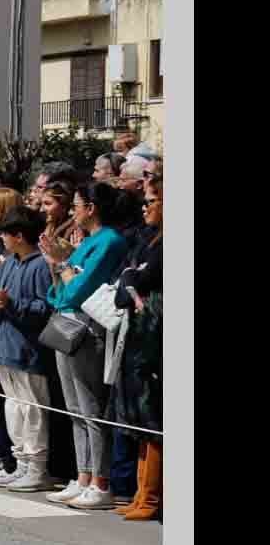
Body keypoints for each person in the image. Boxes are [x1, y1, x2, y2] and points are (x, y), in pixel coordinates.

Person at [39, 178, 130, 509]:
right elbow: (59, 292)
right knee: (74, 408)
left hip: (88, 327)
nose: (72, 213)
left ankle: (100, 482)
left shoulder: (109, 241)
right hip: (66, 322)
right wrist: (59, 266)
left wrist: (63, 265)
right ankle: (83, 476)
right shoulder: (88, 241)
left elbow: (78, 289)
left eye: (76, 206)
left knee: (92, 407)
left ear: (91, 209)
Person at [0, 208, 58, 491]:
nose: (1, 238)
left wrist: (12, 304)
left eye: (5, 233)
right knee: (14, 406)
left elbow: (46, 307)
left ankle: (37, 467)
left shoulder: (40, 265)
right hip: (4, 346)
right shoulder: (8, 264)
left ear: (20, 235)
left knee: (33, 408)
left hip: (29, 349)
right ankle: (21, 463)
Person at [111, 167, 162, 521]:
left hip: (156, 337)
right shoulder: (149, 241)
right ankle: (141, 493)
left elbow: (139, 279)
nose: (145, 207)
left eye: (152, 201)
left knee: (154, 416)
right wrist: (132, 276)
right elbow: (125, 286)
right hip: (140, 335)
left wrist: (132, 277)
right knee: (140, 417)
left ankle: (152, 497)